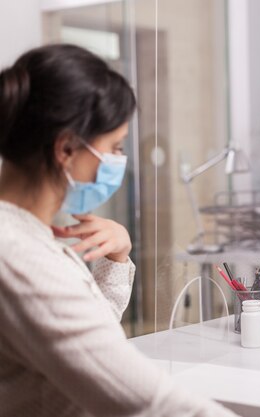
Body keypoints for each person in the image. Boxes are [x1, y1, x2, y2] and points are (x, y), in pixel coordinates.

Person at [0, 45, 238, 416]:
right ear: (65, 147)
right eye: (114, 147)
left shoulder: (28, 236)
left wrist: (117, 258)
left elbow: (85, 345)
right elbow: (150, 403)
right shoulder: (17, 255)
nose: (117, 161)